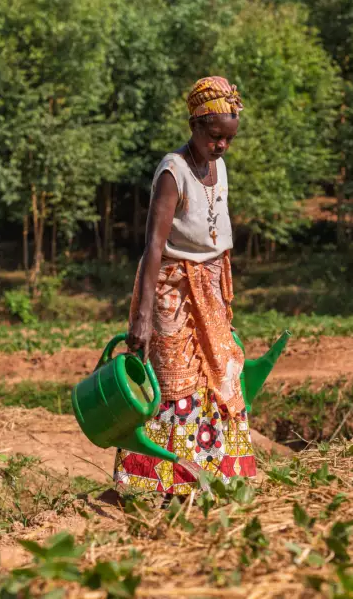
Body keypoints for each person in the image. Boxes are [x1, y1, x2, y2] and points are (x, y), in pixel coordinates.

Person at [113, 76, 256, 501]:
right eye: (214, 137)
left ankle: (213, 476)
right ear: (194, 125)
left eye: (228, 139)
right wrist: (141, 317)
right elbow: (154, 246)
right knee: (173, 382)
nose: (221, 146)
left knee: (221, 375)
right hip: (172, 290)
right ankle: (157, 482)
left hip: (209, 288)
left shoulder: (219, 166)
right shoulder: (172, 172)